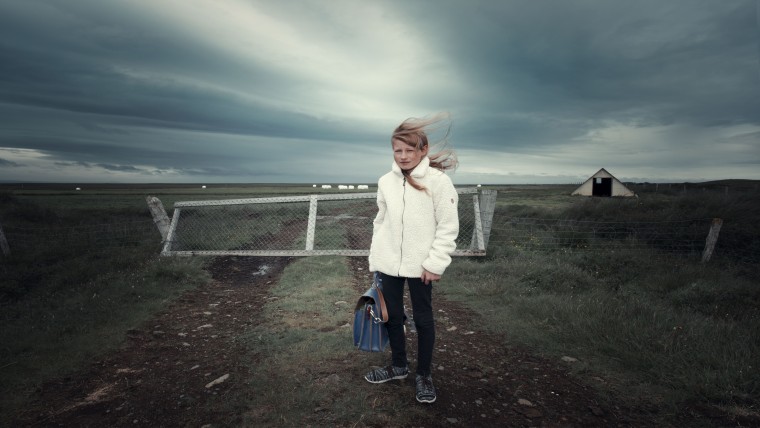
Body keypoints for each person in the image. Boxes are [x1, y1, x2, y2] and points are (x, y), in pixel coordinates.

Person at [365, 114, 459, 404]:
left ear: (423, 150)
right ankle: (399, 367)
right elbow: (380, 222)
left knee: (423, 319)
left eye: (409, 150)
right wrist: (376, 257)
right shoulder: (385, 181)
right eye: (398, 150)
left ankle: (424, 375)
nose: (403, 156)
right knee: (392, 316)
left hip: (422, 266)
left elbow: (448, 226)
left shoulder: (439, 182)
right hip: (389, 264)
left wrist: (435, 263)